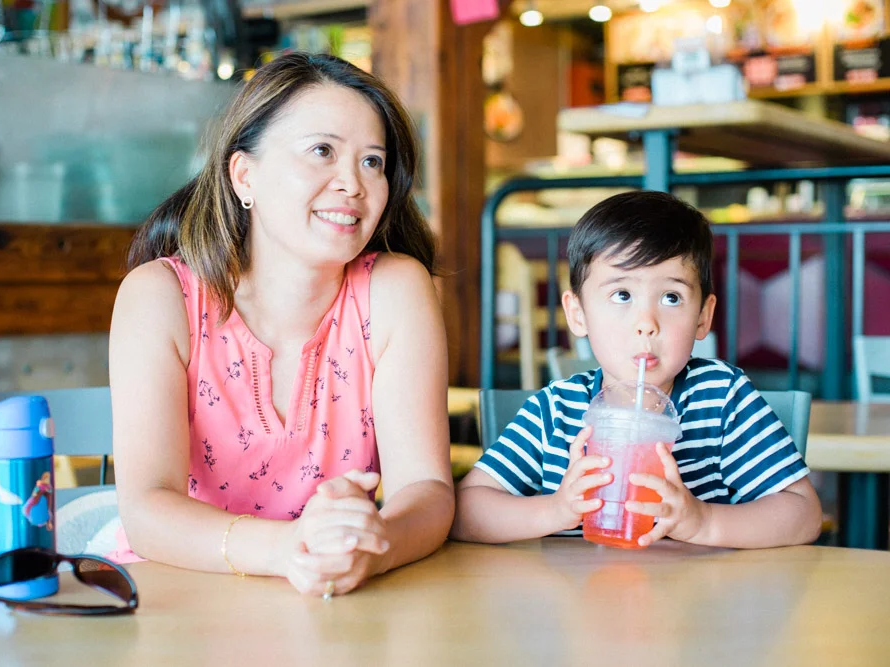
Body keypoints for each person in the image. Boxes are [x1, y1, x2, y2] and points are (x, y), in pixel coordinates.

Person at [108, 52, 454, 597]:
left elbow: (427, 489)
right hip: (181, 596)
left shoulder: (394, 291)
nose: (354, 183)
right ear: (245, 176)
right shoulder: (161, 297)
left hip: (335, 600)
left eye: (372, 162)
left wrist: (374, 548)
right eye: (322, 151)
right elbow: (147, 510)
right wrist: (289, 549)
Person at [452, 190, 822, 548]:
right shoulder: (555, 411)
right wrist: (554, 510)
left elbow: (803, 513)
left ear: (702, 316)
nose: (646, 323)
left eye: (671, 297)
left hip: (696, 590)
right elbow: (465, 512)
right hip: (574, 591)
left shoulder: (721, 400)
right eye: (622, 295)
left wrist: (704, 521)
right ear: (577, 314)